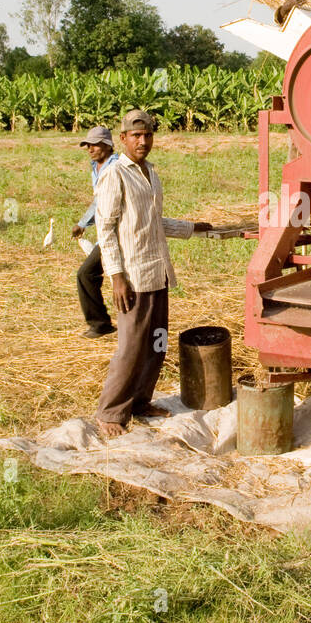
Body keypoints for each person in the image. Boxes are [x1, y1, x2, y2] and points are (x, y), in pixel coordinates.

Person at [94, 109, 212, 438]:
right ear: (123, 139)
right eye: (136, 136)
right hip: (132, 277)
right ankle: (110, 411)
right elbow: (105, 229)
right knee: (132, 345)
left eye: (147, 135)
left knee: (157, 344)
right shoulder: (116, 174)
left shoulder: (150, 173)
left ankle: (141, 401)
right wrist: (116, 275)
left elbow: (153, 223)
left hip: (157, 272)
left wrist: (191, 228)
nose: (143, 141)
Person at [71, 126, 118, 337]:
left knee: (86, 274)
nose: (91, 149)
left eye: (96, 144)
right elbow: (99, 201)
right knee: (91, 274)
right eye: (88, 145)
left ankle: (101, 325)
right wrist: (83, 223)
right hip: (105, 234)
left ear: (108, 145)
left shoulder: (116, 168)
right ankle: (103, 324)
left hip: (117, 233)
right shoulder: (96, 167)